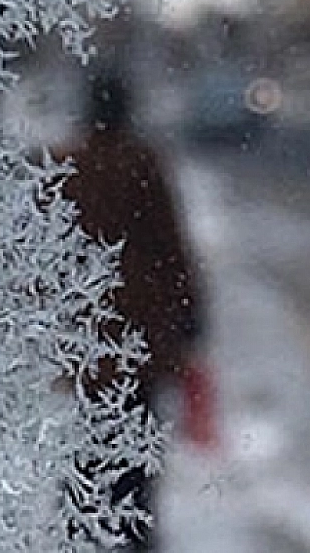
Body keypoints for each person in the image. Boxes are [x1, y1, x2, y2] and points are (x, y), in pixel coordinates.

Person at [54, 70, 204, 551]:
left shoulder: (69, 165)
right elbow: (171, 249)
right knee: (136, 451)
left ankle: (83, 532)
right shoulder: (141, 164)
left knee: (89, 445)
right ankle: (131, 534)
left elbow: (47, 253)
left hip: (87, 338)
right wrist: (191, 319)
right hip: (139, 339)